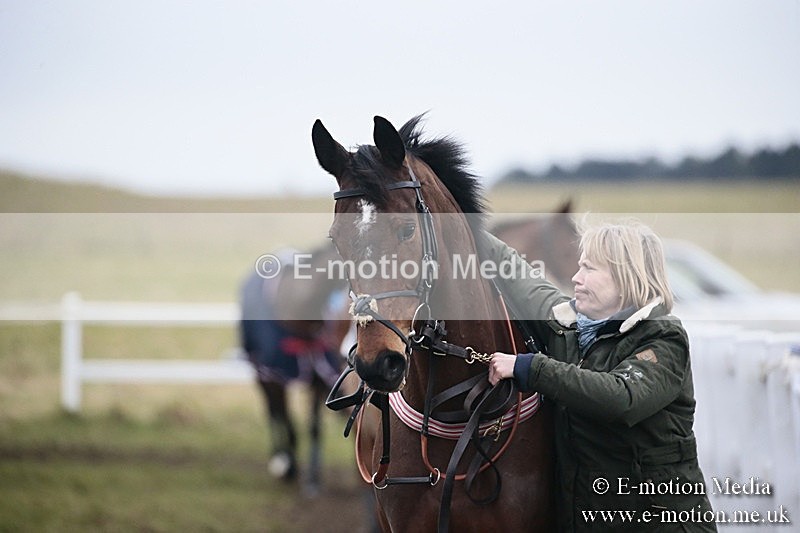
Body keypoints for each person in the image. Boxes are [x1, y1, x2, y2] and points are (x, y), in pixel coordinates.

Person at [486, 220, 716, 532]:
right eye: (579, 266)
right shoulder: (568, 325)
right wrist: (457, 220)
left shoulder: (663, 339)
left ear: (626, 279)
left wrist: (529, 368)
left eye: (590, 269)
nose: (576, 278)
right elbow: (513, 270)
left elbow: (621, 398)